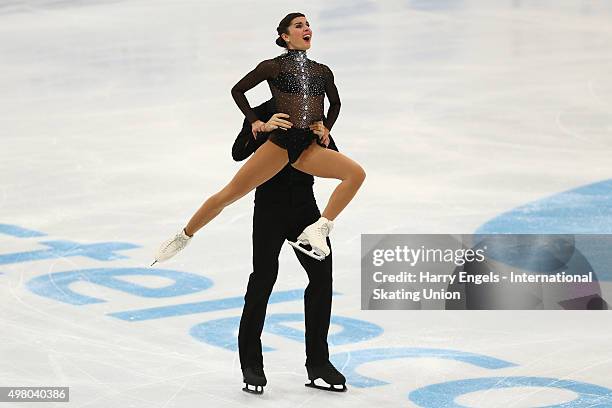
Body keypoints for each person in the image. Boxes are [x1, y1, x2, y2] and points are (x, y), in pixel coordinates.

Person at [151, 12, 365, 266]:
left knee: (356, 174)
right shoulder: (273, 66)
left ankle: (319, 228)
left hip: (307, 146)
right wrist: (257, 122)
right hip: (281, 144)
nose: (307, 29)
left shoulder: (322, 71)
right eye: (299, 26)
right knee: (229, 195)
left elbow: (336, 103)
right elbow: (237, 90)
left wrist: (326, 127)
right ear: (285, 37)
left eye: (308, 25)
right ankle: (183, 235)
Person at [234, 99, 347, 394]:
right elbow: (238, 152)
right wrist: (262, 128)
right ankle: (251, 365)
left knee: (322, 278)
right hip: (270, 208)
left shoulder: (312, 111)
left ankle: (319, 363)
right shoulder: (260, 111)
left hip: (305, 209)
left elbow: (331, 159)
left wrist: (326, 135)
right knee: (263, 279)